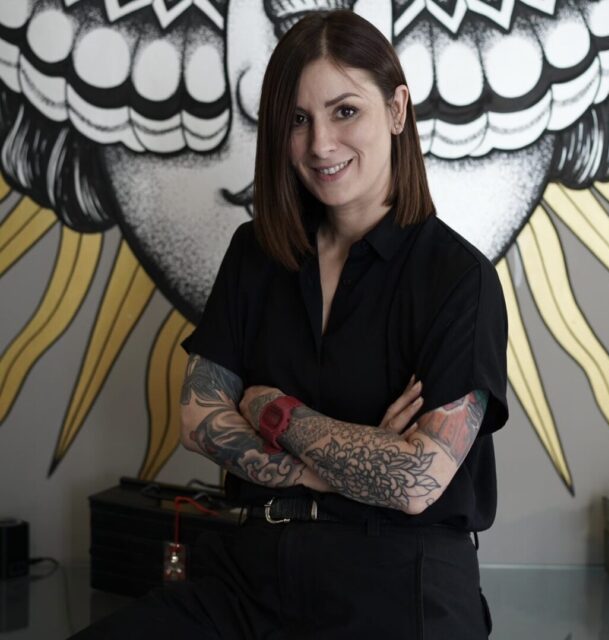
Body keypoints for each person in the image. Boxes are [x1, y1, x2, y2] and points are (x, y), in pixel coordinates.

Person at [70, 9, 508, 639]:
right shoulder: (255, 253)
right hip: (250, 575)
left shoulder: (460, 280)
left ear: (396, 110)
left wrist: (271, 410)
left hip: (398, 578)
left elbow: (415, 480)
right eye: (298, 120)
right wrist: (339, 467)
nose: (320, 144)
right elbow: (198, 421)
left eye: (344, 111)